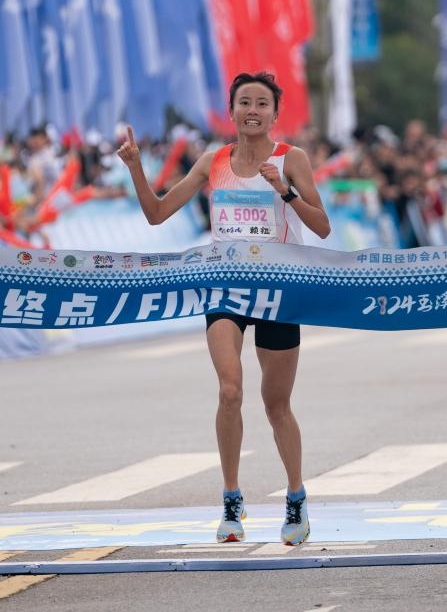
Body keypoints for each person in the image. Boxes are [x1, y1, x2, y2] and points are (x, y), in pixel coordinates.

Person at [117, 72, 330, 546]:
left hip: (278, 290)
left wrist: (286, 192)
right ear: (231, 111)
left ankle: (296, 496)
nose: (253, 110)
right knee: (230, 390)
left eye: (262, 103)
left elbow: (322, 226)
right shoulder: (212, 161)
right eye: (244, 102)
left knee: (276, 404)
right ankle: (232, 499)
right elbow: (157, 213)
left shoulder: (291, 158)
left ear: (275, 113)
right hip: (225, 290)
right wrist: (135, 168)